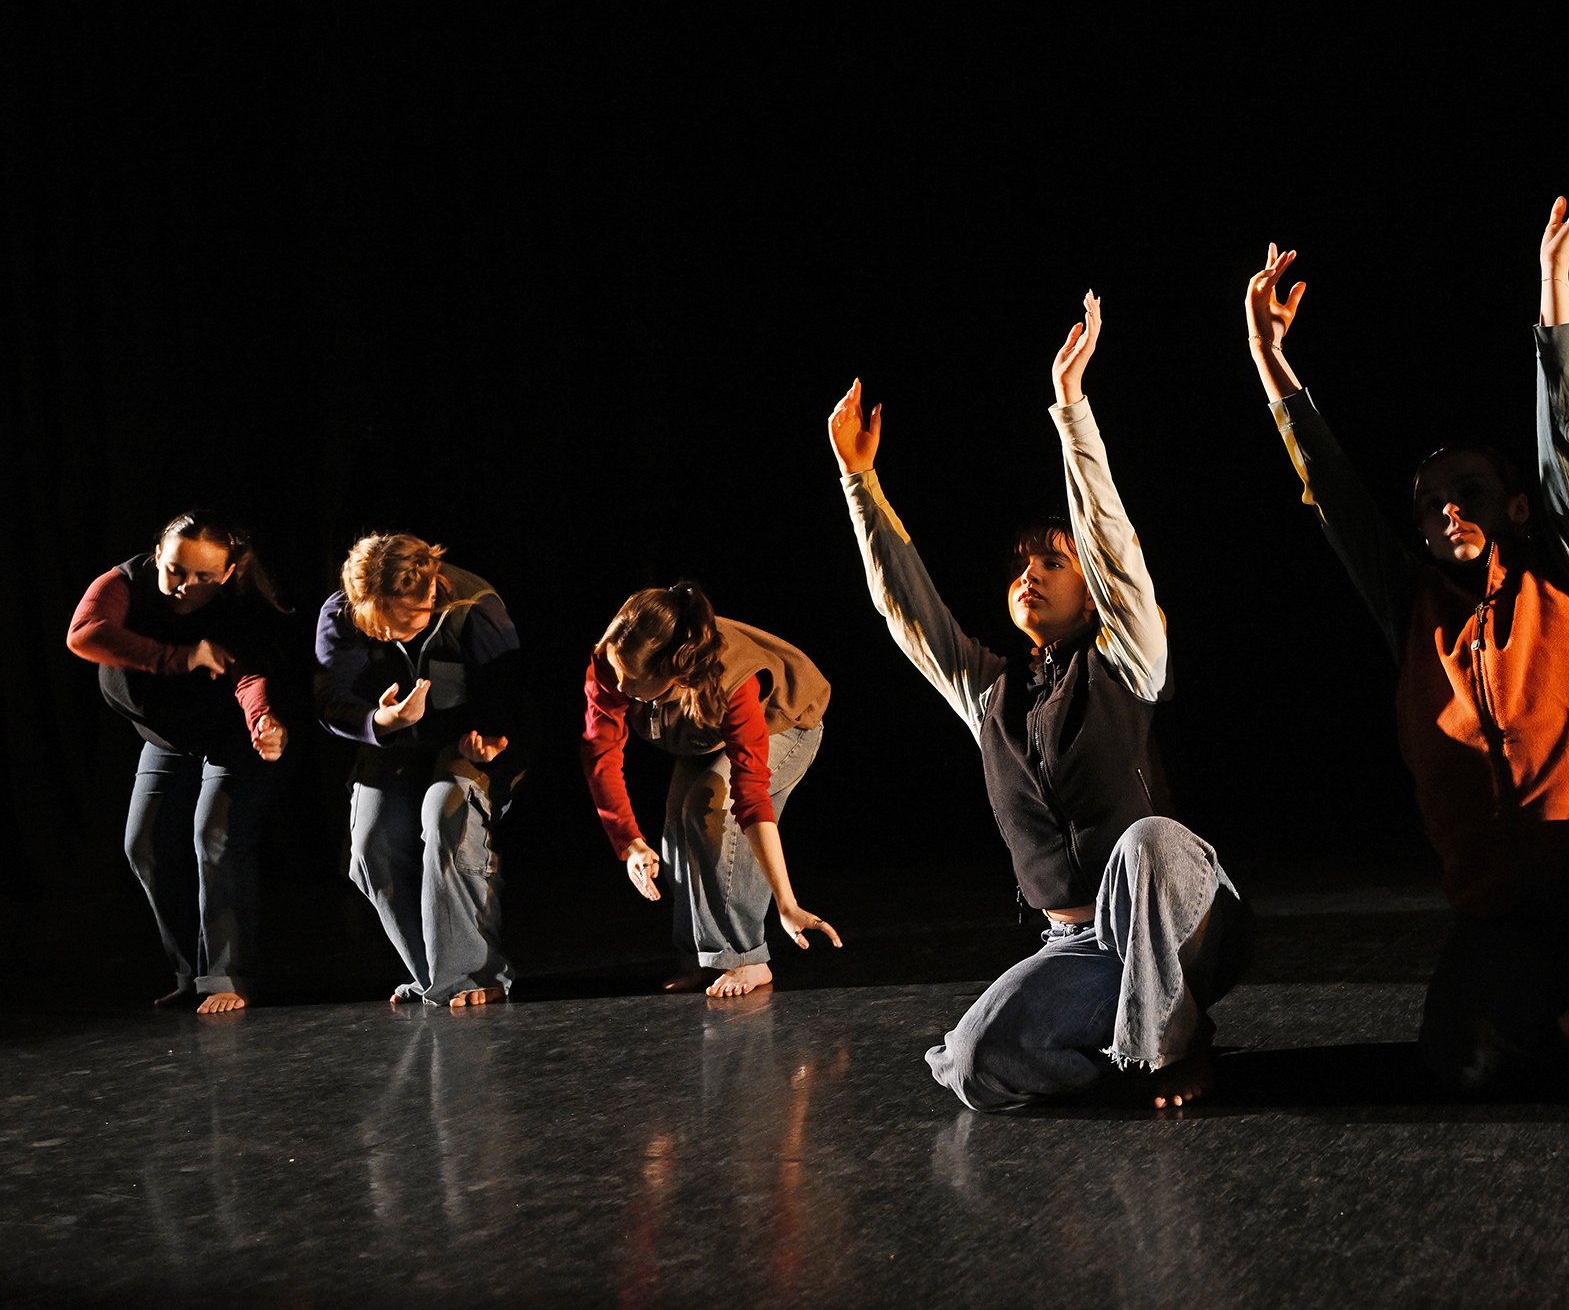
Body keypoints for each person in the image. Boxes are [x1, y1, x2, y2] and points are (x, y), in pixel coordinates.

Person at [1242, 164, 1569, 1107]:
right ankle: (1566, 1021)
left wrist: (1554, 289)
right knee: (1462, 1060)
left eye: (1465, 495)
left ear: (1511, 507)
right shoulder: (1410, 606)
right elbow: (1332, 497)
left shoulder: (1567, 576)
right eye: (1427, 505)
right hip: (1509, 910)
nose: (1443, 511)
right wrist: (1270, 360)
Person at [830, 290, 1250, 1111]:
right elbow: (905, 609)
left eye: (1051, 564)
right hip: (1082, 945)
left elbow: (1114, 546)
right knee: (975, 1065)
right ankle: (1134, 1053)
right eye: (1021, 565)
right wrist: (858, 479)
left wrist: (1071, 412)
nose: (1029, 574)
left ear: (1091, 594)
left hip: (1184, 919)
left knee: (1147, 844)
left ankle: (1173, 1044)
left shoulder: (1127, 656)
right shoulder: (988, 690)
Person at [67, 511, 293, 1012]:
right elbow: (85, 633)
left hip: (231, 739)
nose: (184, 586)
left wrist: (262, 723)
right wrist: (181, 656)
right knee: (144, 844)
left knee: (215, 839)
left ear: (228, 573)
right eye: (174, 570)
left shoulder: (240, 605)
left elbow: (248, 676)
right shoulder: (124, 582)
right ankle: (189, 974)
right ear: (157, 557)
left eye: (204, 578)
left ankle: (228, 976)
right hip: (166, 740)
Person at [581, 582, 836, 997]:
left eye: (631, 681)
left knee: (709, 810)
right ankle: (703, 960)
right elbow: (600, 752)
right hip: (704, 732)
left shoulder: (733, 681)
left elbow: (751, 800)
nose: (619, 686)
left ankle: (747, 958)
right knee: (677, 826)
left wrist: (787, 904)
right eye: (615, 671)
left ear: (671, 676)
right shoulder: (615, 662)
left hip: (785, 723)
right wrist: (629, 842)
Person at [315, 533, 533, 1007]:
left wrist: (491, 738)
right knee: (370, 848)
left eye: (407, 618)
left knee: (446, 815)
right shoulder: (343, 610)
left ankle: (475, 973)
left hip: (464, 743)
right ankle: (434, 974)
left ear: (431, 589)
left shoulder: (475, 607)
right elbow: (332, 699)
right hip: (393, 742)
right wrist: (382, 720)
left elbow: (513, 699)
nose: (394, 631)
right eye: (380, 623)